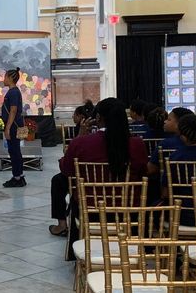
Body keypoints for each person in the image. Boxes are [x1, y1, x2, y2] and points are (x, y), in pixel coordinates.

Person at [50, 98, 147, 237]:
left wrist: (79, 137)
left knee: (60, 182)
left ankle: (63, 226)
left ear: (98, 117)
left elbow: (66, 170)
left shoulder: (81, 143)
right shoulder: (137, 144)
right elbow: (143, 171)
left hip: (91, 210)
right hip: (129, 210)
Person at [147, 107, 193, 174]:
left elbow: (151, 169)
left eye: (168, 119)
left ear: (180, 123)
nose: (164, 121)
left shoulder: (166, 144)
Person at [1, 67, 26, 188]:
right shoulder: (13, 91)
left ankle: (17, 178)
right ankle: (19, 175)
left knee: (14, 151)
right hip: (14, 125)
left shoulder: (13, 92)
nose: (3, 79)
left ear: (11, 78)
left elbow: (13, 110)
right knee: (16, 151)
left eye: (5, 76)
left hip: (13, 126)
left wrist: (7, 128)